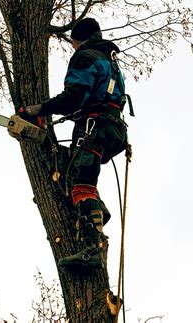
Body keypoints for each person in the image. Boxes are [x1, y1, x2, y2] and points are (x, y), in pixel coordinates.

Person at [25, 17, 129, 269]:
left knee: (79, 184)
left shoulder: (85, 57)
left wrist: (40, 109)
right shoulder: (111, 62)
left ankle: (91, 250)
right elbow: (99, 98)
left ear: (76, 40)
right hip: (113, 129)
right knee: (84, 178)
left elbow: (74, 96)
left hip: (94, 128)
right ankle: (97, 210)